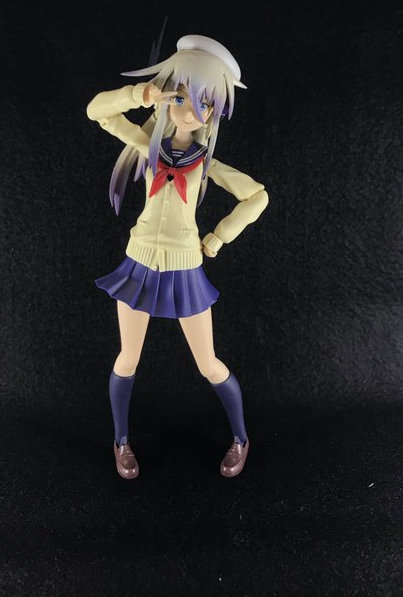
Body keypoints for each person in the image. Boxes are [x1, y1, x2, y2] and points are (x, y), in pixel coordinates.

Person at [87, 34, 269, 479]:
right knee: (127, 359)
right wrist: (140, 94)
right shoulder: (147, 146)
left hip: (186, 268)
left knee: (209, 363)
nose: (190, 110)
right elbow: (97, 111)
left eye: (203, 102)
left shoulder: (204, 163)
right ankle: (121, 441)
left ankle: (241, 438)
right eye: (181, 95)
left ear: (214, 111)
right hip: (138, 263)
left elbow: (257, 196)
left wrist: (218, 238)